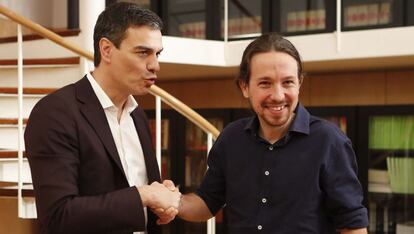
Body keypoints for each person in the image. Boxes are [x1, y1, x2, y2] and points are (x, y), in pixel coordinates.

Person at [168, 33, 369, 233]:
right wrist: (175, 202)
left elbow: (352, 224)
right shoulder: (231, 138)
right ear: (245, 86)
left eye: (288, 82)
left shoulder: (329, 140)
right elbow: (207, 202)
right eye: (265, 83)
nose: (278, 95)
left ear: (299, 83)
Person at [24, 2, 180, 234]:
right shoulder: (55, 113)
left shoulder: (136, 114)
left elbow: (135, 203)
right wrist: (143, 195)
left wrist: (161, 201)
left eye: (157, 54)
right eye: (143, 52)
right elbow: (58, 216)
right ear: (106, 49)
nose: (155, 65)